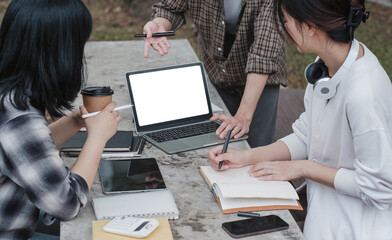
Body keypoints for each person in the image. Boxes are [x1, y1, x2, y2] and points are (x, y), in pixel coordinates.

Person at [208, 0, 392, 239]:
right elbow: (307, 134)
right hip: (324, 217)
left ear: (310, 26)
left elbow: (380, 186)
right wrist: (245, 157)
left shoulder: (363, 93)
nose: (283, 29)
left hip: (357, 229)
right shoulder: (325, 67)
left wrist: (303, 168)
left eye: (286, 21)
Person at [0, 0, 122, 238]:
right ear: (59, 53)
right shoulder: (18, 118)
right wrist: (97, 139)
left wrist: (75, 122)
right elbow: (66, 203)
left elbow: (25, 151)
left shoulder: (10, 96)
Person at [142, 0, 288, 148]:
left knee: (257, 148)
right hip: (216, 69)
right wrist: (160, 23)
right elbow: (170, 7)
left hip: (262, 78)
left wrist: (243, 116)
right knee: (216, 142)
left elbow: (264, 52)